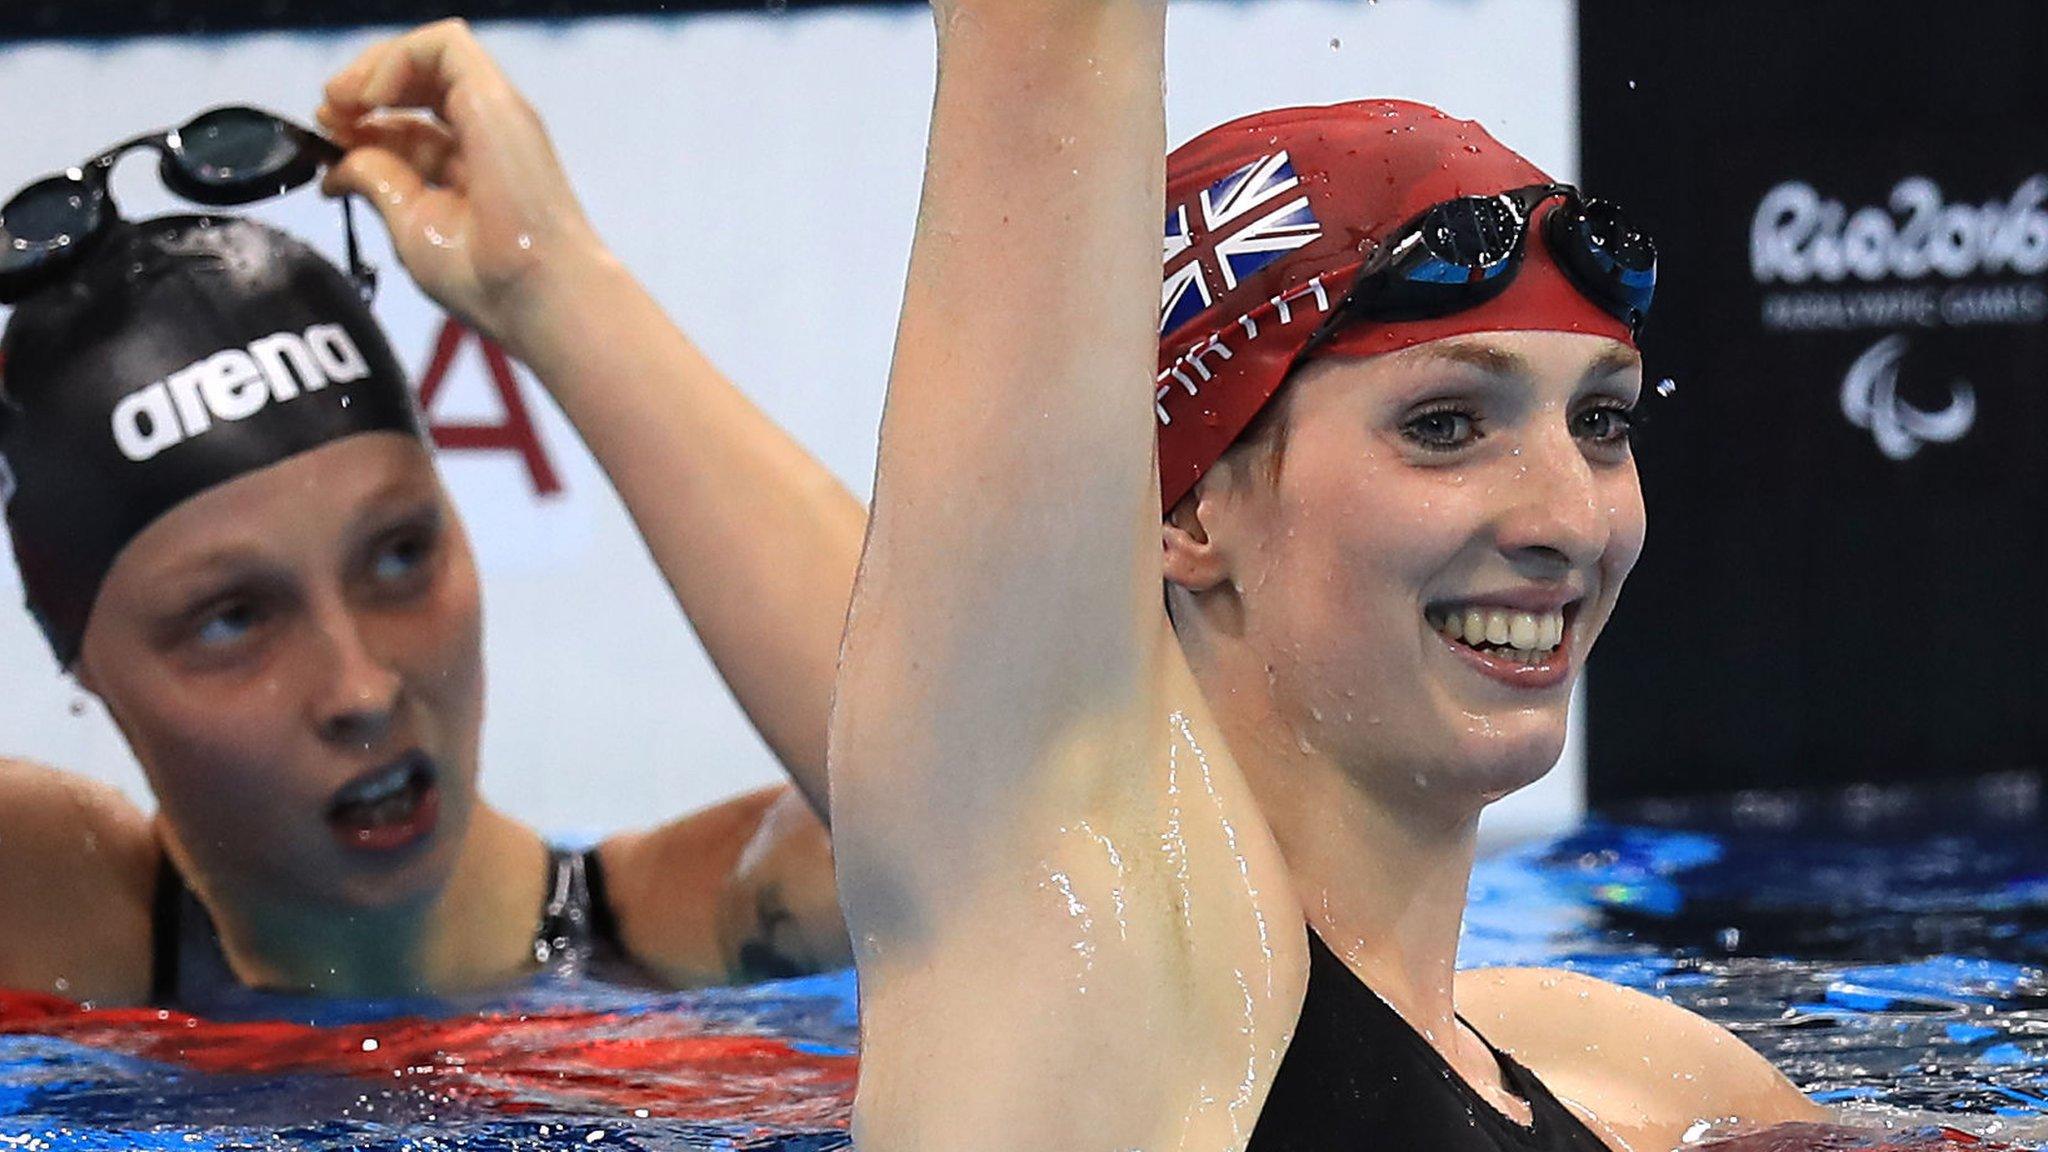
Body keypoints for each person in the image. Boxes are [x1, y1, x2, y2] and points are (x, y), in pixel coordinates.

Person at [827, 2, 1831, 1150]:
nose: (1570, 518)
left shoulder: (1629, 1072)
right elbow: (1053, 44)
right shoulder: (1081, 973)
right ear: (1189, 509)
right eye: (1445, 426)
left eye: (1600, 421)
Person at [0, 20, 858, 1013]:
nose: (361, 689)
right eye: (232, 618)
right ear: (81, 657)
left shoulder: (706, 934)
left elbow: (993, 805)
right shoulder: (48, 921)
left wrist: (553, 288)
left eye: (399, 557)